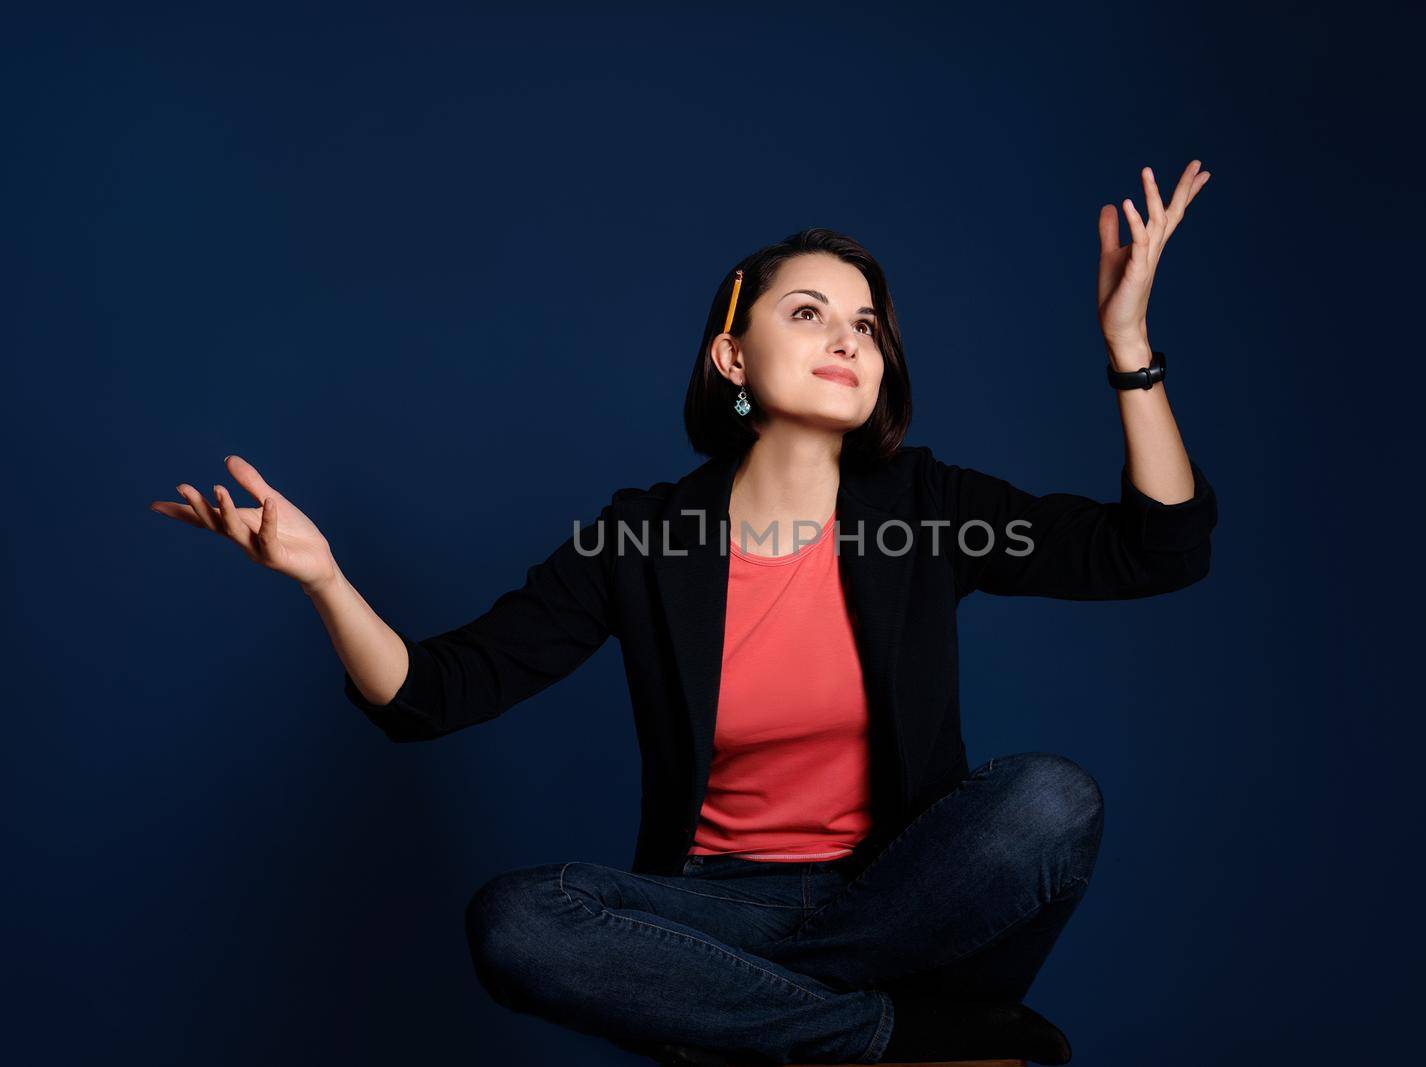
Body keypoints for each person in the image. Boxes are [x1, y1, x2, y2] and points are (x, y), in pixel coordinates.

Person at [150, 162, 1216, 1066]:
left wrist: (1128, 341)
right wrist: (326, 580)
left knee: (1048, 798)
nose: (847, 337)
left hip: (907, 894)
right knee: (518, 919)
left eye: (867, 325)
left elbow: (1154, 550)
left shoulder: (928, 508)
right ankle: (893, 1030)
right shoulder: (641, 538)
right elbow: (428, 696)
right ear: (731, 355)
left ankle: (759, 1006)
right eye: (807, 312)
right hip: (714, 909)